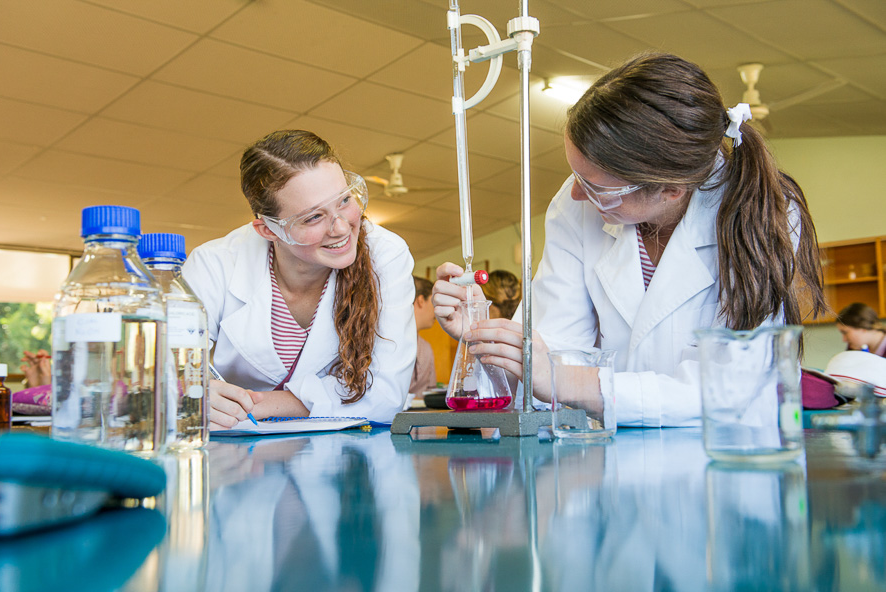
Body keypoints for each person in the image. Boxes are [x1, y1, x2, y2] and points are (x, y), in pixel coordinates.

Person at [432, 52, 826, 427]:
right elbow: (548, 359)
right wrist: (487, 336)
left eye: (597, 186)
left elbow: (735, 386)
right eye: (576, 175)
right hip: (606, 460)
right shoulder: (576, 208)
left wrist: (572, 383)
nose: (575, 194)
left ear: (670, 189)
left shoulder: (764, 213)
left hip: (720, 467)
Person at [183, 130, 417, 427]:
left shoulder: (385, 253)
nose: (342, 228)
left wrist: (257, 404)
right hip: (239, 457)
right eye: (313, 217)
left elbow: (385, 396)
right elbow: (166, 374)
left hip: (340, 457)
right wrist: (193, 394)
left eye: (345, 200)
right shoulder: (214, 264)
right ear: (269, 230)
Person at [409, 276, 437, 396]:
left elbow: (431, 391)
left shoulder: (426, 348)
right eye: (434, 302)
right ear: (421, 300)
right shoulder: (384, 342)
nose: (437, 310)